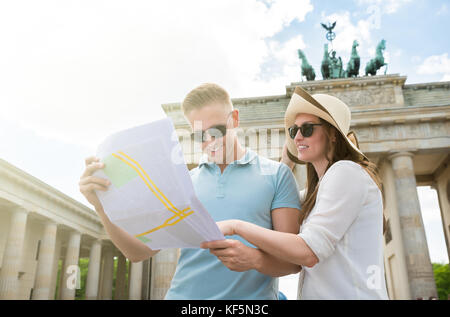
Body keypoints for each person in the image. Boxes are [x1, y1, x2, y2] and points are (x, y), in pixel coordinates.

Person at [79, 83, 302, 299]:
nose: (210, 141)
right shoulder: (182, 184)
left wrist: (255, 259)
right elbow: (138, 253)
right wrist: (100, 206)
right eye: (200, 136)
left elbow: (293, 262)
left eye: (216, 131)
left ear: (234, 119)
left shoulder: (277, 176)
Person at [202, 86, 389, 300]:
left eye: (307, 129)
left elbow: (308, 252)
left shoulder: (345, 172)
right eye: (294, 131)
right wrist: (285, 164)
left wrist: (236, 226)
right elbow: (272, 201)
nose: (298, 136)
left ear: (333, 135)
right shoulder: (315, 191)